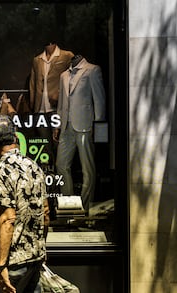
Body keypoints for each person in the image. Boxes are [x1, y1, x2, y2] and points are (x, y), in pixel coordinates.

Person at [0, 115, 50, 293]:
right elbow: (45, 213)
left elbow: (7, 219)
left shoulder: (2, 171)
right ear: (15, 138)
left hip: (13, 261)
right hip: (34, 258)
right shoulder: (34, 167)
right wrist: (40, 248)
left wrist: (1, 265)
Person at [53, 54, 106, 213]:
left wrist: (99, 125)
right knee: (61, 165)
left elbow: (99, 100)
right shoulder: (64, 75)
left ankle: (85, 205)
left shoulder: (92, 70)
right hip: (66, 127)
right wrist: (57, 124)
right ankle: (69, 204)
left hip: (85, 125)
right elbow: (62, 103)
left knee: (87, 168)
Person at [29, 42, 74, 167]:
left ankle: (61, 172)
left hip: (57, 108)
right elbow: (33, 83)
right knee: (45, 144)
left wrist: (60, 95)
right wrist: (33, 105)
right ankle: (49, 171)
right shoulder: (37, 59)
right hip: (40, 109)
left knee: (59, 143)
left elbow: (73, 80)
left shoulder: (66, 56)